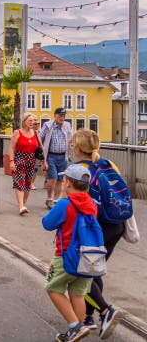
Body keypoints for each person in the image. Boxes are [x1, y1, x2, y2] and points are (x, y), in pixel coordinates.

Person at [73, 129, 125, 338]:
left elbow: (76, 203)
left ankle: (105, 311)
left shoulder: (78, 170)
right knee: (94, 271)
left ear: (77, 148)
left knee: (81, 271)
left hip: (96, 228)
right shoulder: (109, 164)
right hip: (116, 226)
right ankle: (88, 316)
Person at [41, 164, 97, 342]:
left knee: (53, 288)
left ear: (68, 183)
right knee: (77, 294)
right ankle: (76, 332)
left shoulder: (65, 204)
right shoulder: (92, 204)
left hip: (66, 256)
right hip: (88, 256)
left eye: (64, 179)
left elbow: (47, 223)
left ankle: (75, 326)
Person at [9, 112, 45, 215]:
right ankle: (21, 206)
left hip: (31, 161)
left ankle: (23, 205)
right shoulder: (17, 133)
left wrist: (45, 162)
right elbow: (11, 147)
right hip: (19, 160)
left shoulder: (36, 133)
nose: (32, 122)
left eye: (33, 120)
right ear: (24, 121)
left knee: (28, 184)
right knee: (19, 182)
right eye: (30, 120)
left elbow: (42, 148)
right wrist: (11, 161)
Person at [42, 107, 73, 209]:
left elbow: (70, 139)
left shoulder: (67, 125)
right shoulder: (48, 125)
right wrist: (42, 154)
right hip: (51, 155)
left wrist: (69, 153)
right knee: (53, 178)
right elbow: (40, 137)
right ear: (55, 116)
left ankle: (55, 200)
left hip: (63, 156)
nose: (62, 117)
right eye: (60, 115)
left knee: (60, 179)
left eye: (63, 115)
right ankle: (49, 198)